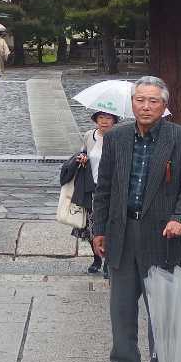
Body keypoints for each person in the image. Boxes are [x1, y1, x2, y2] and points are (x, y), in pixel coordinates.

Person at [91, 76, 181, 362]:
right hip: (122, 232)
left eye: (153, 101)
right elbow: (104, 188)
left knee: (162, 310)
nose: (145, 106)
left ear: (164, 105)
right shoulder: (117, 138)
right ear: (132, 103)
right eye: (140, 100)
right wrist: (99, 229)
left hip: (162, 234)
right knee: (122, 307)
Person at [61, 110, 119, 275]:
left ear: (114, 121)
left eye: (108, 118)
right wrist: (82, 158)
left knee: (110, 226)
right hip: (91, 187)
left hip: (111, 189)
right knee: (92, 225)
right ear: (96, 120)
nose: (104, 121)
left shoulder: (119, 137)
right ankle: (96, 258)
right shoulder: (89, 135)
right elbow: (83, 152)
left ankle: (108, 262)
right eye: (101, 118)